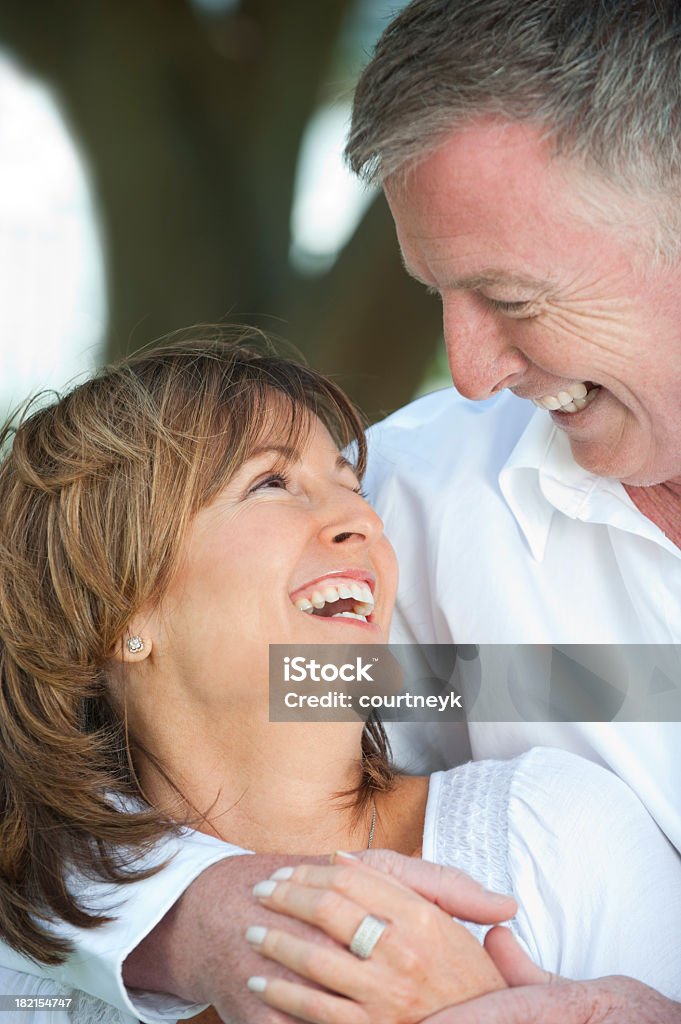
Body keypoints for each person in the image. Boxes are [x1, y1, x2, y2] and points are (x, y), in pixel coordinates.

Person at [2, 1, 681, 1021]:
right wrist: (198, 913)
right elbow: (88, 714)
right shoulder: (422, 509)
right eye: (438, 297)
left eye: (513, 296)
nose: (470, 371)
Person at [0, 336, 679, 1024]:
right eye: (269, 482)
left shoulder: (556, 839)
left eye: (352, 485)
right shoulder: (33, 965)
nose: (364, 517)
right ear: (116, 612)